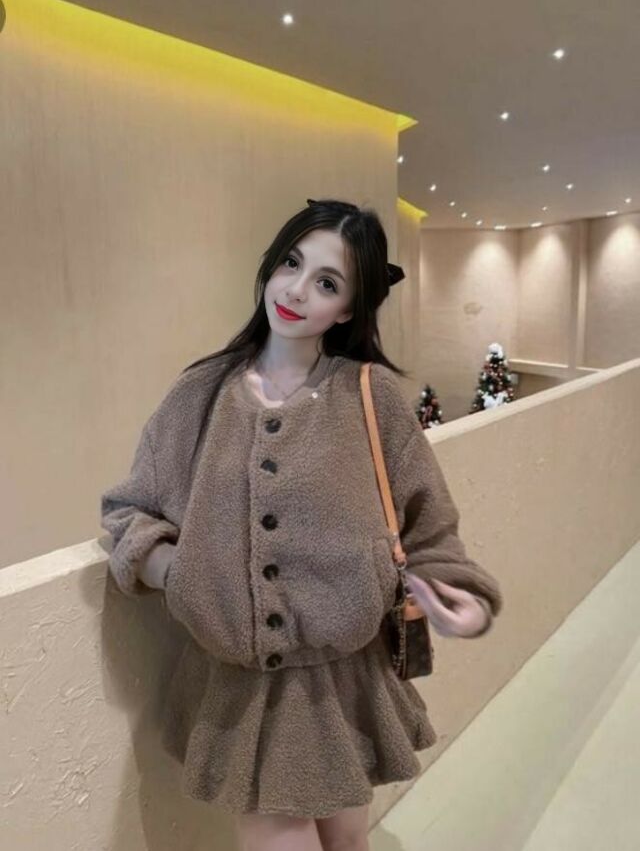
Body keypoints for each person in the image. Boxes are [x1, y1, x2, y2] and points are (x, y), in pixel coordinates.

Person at [100, 198, 503, 851]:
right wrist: (179, 572)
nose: (295, 290)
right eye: (291, 263)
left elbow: (429, 529)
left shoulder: (370, 397)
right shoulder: (200, 394)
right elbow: (128, 511)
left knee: (349, 844)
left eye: (327, 282)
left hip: (345, 683)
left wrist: (460, 598)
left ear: (347, 310)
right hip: (241, 692)